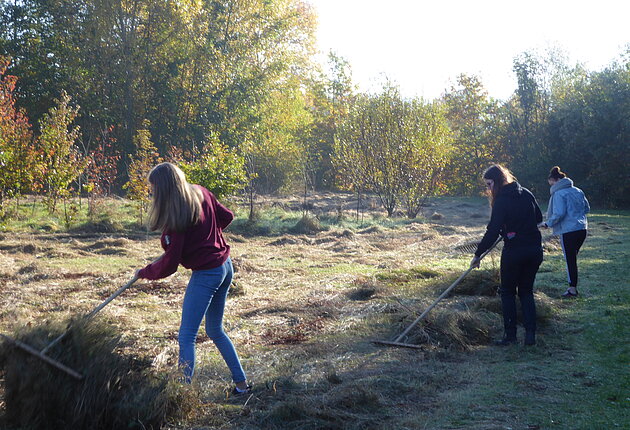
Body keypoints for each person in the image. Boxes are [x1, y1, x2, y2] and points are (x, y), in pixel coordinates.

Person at [135, 162, 250, 394]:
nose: (153, 193)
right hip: (225, 266)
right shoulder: (202, 192)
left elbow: (170, 264)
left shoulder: (177, 219)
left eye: (154, 189)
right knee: (215, 330)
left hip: (208, 273)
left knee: (186, 336)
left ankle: (181, 394)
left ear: (165, 189)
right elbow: (226, 217)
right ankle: (242, 385)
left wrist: (145, 272)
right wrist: (206, 237)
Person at [471, 164, 543, 346]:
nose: (488, 189)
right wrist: (513, 227)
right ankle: (530, 335)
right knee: (526, 291)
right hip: (534, 250)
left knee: (508, 292)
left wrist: (478, 254)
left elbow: (492, 231)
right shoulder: (526, 193)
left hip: (515, 252)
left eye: (489, 184)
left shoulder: (502, 200)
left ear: (497, 181)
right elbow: (539, 218)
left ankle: (510, 336)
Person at [538, 166, 590, 298]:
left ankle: (572, 289)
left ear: (555, 180)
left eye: (549, 181)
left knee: (570, 259)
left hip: (569, 231)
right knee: (572, 258)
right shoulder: (578, 190)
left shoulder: (559, 193)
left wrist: (547, 223)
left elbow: (559, 213)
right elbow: (587, 208)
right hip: (582, 229)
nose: (549, 184)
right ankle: (572, 287)